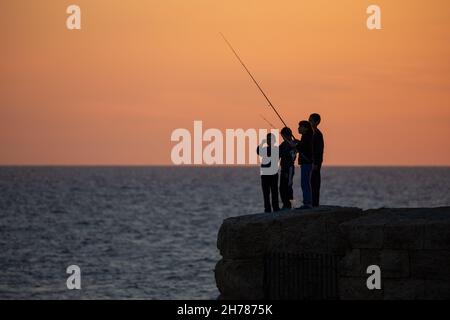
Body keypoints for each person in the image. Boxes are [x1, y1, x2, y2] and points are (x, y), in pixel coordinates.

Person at [257, 133, 280, 213]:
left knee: (274, 192)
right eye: (268, 139)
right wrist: (262, 143)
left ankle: (276, 208)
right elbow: (258, 151)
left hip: (273, 174)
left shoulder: (276, 149)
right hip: (265, 174)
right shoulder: (264, 149)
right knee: (266, 192)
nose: (269, 141)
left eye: (270, 139)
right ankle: (267, 209)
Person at [295, 121, 314, 209]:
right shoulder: (306, 137)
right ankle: (307, 202)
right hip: (306, 163)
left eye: (300, 126)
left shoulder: (307, 137)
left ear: (306, 128)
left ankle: (307, 203)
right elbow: (303, 146)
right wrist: (298, 142)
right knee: (305, 183)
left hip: (306, 163)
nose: (298, 128)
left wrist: (296, 145)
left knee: (305, 183)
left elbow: (303, 148)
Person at [279, 127, 297, 210]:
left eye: (283, 136)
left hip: (289, 168)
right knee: (282, 187)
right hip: (283, 168)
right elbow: (277, 153)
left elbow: (293, 157)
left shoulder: (293, 144)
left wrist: (292, 147)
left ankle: (290, 205)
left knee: (288, 186)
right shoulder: (283, 144)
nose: (283, 138)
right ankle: (285, 204)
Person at [309, 113, 324, 207]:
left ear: (317, 122)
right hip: (311, 162)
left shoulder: (318, 134)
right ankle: (312, 202)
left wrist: (316, 163)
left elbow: (319, 150)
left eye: (311, 120)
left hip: (315, 163)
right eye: (309, 120)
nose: (309, 122)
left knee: (315, 183)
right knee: (311, 183)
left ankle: (315, 203)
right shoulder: (311, 133)